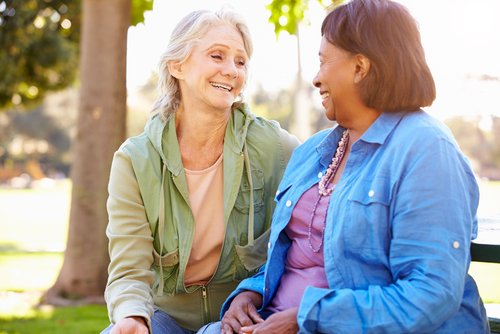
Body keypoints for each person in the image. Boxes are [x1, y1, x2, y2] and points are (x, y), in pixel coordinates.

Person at [215, 0, 490, 333]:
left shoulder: (426, 150)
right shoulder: (313, 152)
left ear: (360, 68)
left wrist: (311, 318)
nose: (316, 78)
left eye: (324, 61)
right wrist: (249, 295)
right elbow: (297, 258)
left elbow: (430, 293)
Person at [101, 8, 299, 334]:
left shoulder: (275, 147)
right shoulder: (135, 160)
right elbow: (129, 269)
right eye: (217, 56)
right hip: (163, 317)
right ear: (177, 66)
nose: (231, 70)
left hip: (240, 316)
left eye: (240, 61)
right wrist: (133, 317)